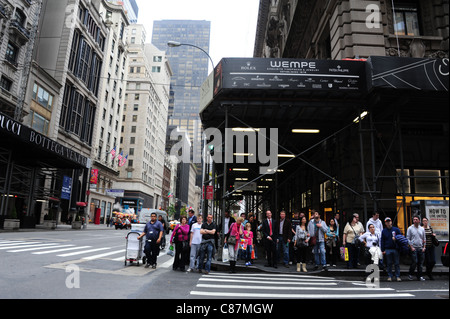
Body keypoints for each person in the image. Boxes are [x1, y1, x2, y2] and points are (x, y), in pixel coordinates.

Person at [381, 217, 402, 281]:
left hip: (395, 248)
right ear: (385, 223)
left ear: (391, 222)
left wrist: (396, 239)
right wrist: (383, 250)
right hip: (388, 248)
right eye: (387, 222)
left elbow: (401, 238)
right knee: (389, 263)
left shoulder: (396, 229)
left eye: (389, 221)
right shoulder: (384, 231)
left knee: (396, 263)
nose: (388, 223)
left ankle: (397, 276)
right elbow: (382, 241)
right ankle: (390, 275)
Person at [407, 215, 426, 281]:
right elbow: (408, 238)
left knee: (420, 263)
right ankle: (410, 274)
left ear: (419, 220)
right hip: (414, 247)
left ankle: (420, 275)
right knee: (415, 261)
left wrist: (424, 247)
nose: (415, 221)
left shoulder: (422, 229)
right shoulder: (410, 228)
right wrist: (411, 247)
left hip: (420, 247)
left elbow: (424, 238)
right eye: (414, 219)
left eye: (416, 219)